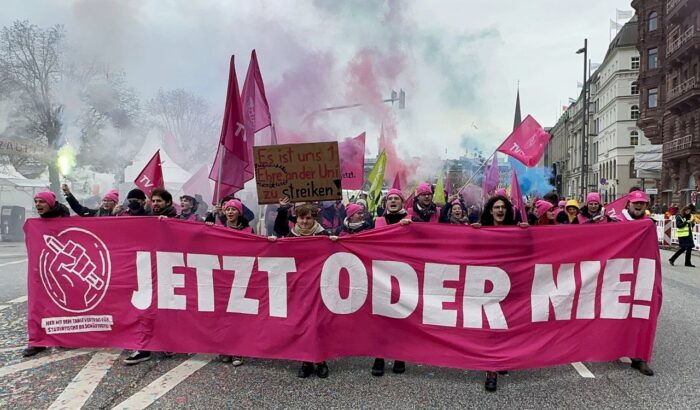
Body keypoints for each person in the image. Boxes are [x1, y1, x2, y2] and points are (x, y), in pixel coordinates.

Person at [269, 201, 332, 378]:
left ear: (314, 219)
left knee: (318, 325)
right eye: (301, 218)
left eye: (308, 218)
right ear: (297, 218)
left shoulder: (324, 235)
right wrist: (273, 241)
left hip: (319, 287)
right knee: (302, 323)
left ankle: (320, 360)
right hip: (298, 288)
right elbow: (279, 232)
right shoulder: (291, 235)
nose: (304, 222)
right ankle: (306, 361)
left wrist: (335, 242)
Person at [472, 195, 528, 391]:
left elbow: (530, 252)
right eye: (496, 207)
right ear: (490, 210)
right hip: (488, 287)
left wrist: (525, 234)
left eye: (503, 207)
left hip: (512, 285)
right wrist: (473, 233)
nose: (500, 210)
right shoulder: (480, 230)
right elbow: (468, 252)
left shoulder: (516, 230)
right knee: (491, 329)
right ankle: (491, 369)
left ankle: (502, 358)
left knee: (507, 326)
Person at [368, 188, 411, 376]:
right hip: (380, 275)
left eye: (396, 199)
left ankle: (399, 354)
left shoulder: (412, 222)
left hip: (404, 276)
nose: (393, 201)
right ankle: (380, 355)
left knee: (401, 316)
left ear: (402, 203)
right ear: (385, 203)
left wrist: (411, 229)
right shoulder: (377, 221)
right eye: (390, 199)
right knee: (380, 318)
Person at [22, 191, 70, 357]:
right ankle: (36, 340)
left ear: (50, 203)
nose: (38, 205)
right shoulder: (36, 224)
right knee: (37, 306)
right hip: (40, 271)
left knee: (62, 304)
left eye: (41, 202)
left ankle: (65, 336)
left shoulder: (64, 220)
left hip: (61, 271)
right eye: (36, 202)